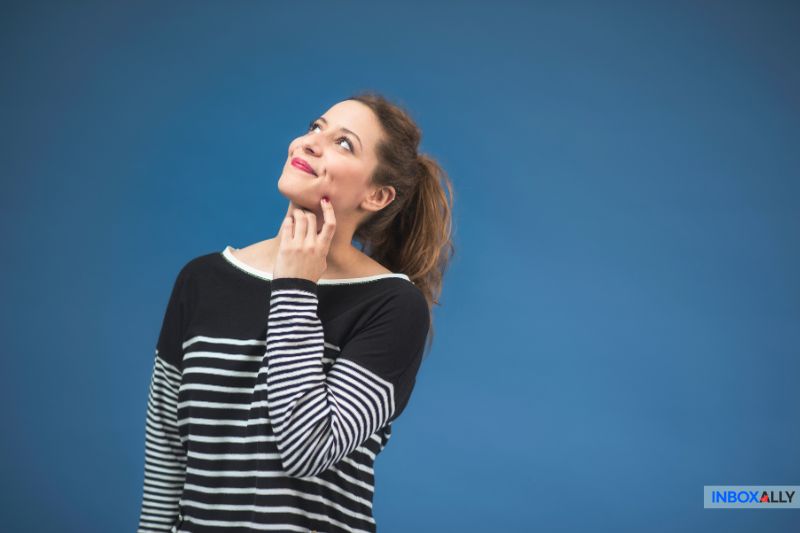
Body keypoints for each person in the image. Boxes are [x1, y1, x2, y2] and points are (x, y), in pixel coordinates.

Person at [136, 92, 455, 533]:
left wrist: (296, 286)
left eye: (344, 144)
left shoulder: (393, 307)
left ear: (378, 196)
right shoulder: (202, 280)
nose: (309, 142)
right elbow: (168, 452)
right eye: (315, 127)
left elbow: (306, 449)